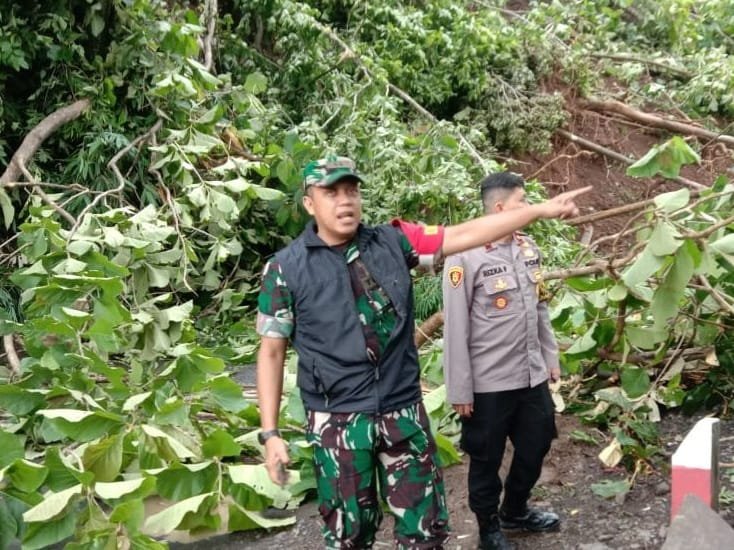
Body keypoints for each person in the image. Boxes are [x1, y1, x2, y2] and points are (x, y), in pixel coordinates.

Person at [256, 156, 587, 550]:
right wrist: (270, 433)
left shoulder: (394, 242)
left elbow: (465, 233)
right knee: (348, 535)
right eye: (331, 193)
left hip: (403, 413)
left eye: (351, 191)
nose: (345, 202)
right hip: (338, 421)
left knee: (425, 532)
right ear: (310, 203)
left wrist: (539, 210)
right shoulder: (285, 269)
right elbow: (272, 352)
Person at [442, 172, 563, 550]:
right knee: (485, 458)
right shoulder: (463, 257)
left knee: (538, 442)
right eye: (522, 202)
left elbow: (539, 307)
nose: (528, 208)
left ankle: (515, 509)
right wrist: (460, 388)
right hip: (488, 383)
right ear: (500, 208)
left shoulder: (528, 249)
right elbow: (456, 328)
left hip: (530, 374)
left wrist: (550, 356)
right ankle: (488, 527)